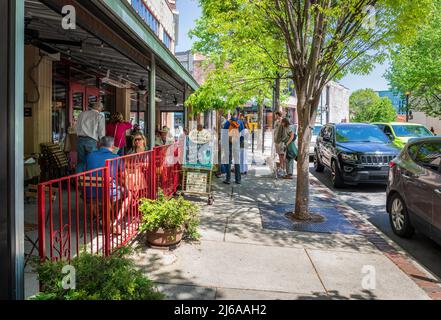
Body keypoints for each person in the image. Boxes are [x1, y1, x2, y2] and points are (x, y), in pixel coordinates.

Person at [85, 136, 131, 235]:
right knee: (128, 195)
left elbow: (86, 171)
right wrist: (125, 185)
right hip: (108, 192)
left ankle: (101, 218)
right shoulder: (115, 157)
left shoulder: (90, 155)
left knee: (99, 197)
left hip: (90, 192)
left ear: (99, 144)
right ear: (112, 146)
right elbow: (124, 176)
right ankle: (116, 221)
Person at [76, 101, 106, 172]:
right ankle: (90, 180)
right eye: (101, 108)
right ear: (99, 108)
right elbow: (101, 131)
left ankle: (79, 180)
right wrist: (102, 142)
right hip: (91, 140)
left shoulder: (81, 114)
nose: (101, 110)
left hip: (79, 140)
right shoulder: (99, 116)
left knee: (81, 161)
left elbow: (77, 127)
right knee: (92, 161)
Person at [223, 112, 244, 184]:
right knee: (237, 161)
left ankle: (228, 179)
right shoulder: (240, 123)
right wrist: (240, 141)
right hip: (237, 143)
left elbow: (224, 134)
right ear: (237, 115)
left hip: (228, 143)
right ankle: (238, 179)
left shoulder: (227, 123)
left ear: (231, 115)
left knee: (228, 161)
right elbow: (242, 135)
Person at [273, 111, 286, 176]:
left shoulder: (283, 122)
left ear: (278, 115)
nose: (275, 117)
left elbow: (284, 132)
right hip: (276, 141)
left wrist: (282, 140)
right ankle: (281, 168)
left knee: (282, 155)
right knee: (279, 155)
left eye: (276, 115)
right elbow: (275, 131)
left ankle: (283, 169)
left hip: (281, 141)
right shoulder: (276, 122)